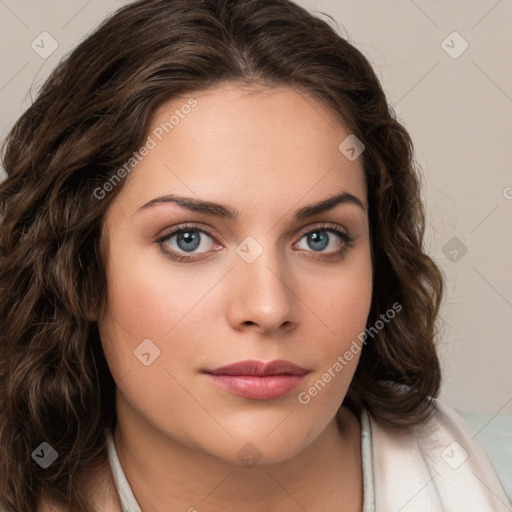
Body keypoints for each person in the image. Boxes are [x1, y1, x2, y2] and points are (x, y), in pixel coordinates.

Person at [0, 0, 509, 511]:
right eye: (189, 239)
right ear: (79, 270)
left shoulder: (454, 474)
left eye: (319, 238)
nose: (268, 308)